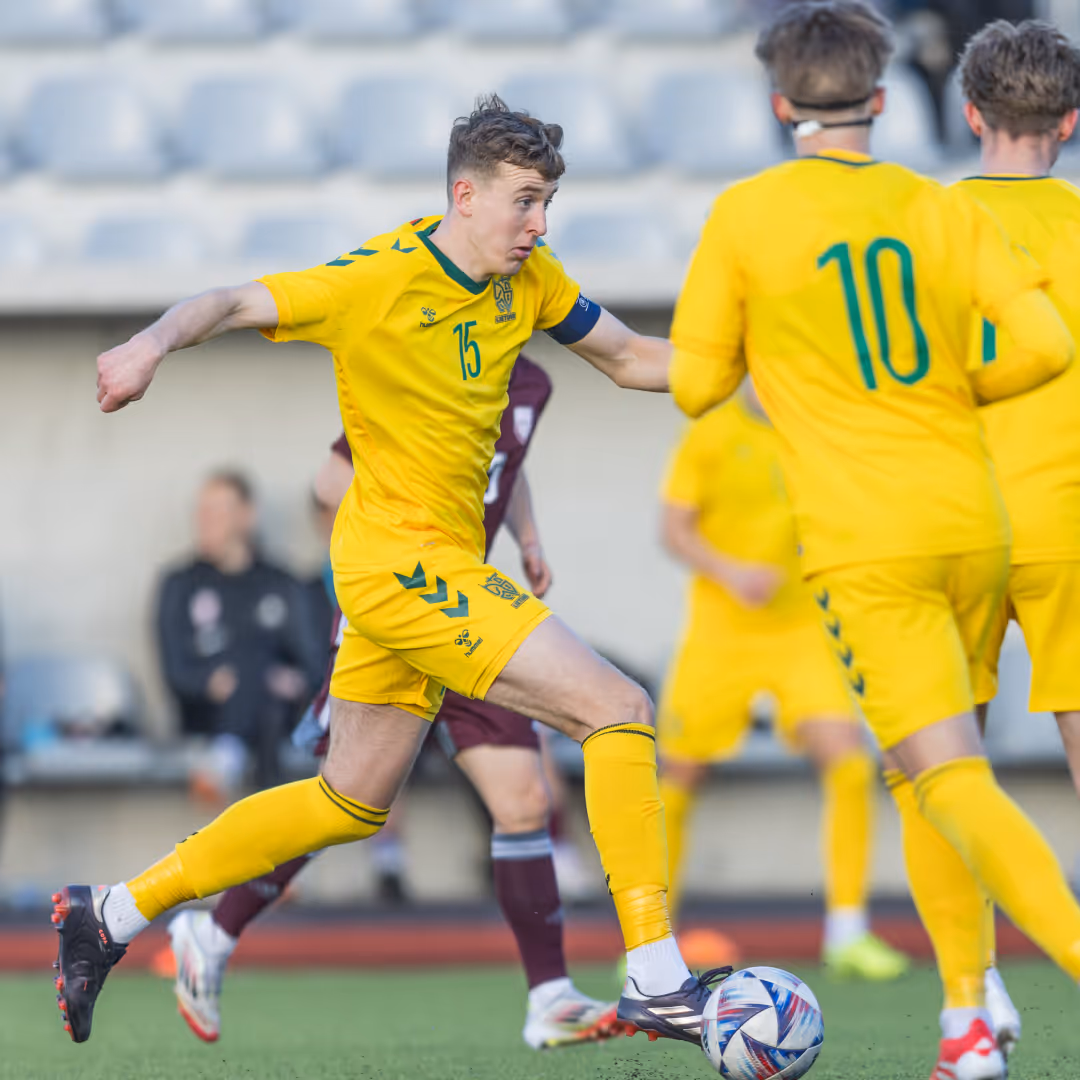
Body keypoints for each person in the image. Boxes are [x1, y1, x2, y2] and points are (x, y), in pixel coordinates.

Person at [56, 95, 709, 1050]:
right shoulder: (378, 278)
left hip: (418, 571)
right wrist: (149, 345)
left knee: (348, 802)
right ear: (464, 193)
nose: (540, 224)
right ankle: (656, 975)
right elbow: (233, 301)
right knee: (618, 706)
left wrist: (761, 368)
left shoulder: (528, 281)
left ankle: (108, 915)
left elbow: (633, 357)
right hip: (402, 571)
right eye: (526, 202)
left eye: (547, 204)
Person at [668, 3, 1080, 1078]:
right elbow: (1042, 341)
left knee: (940, 776)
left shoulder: (750, 213)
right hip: (978, 518)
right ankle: (964, 1027)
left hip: (869, 540)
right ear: (886, 101)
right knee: (947, 771)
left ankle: (989, 1004)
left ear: (777, 105)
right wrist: (956, 388)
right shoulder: (928, 204)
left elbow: (696, 384)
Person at [166, 357, 624, 1050]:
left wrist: (526, 537)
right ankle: (211, 930)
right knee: (340, 805)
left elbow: (506, 459)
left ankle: (550, 995)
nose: (528, 247)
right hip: (396, 613)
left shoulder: (527, 380)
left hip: (470, 613)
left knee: (524, 798)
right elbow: (332, 481)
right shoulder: (424, 360)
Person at [657, 380, 909, 981]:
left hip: (804, 633)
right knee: (677, 777)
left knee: (848, 764)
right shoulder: (712, 433)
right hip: (723, 633)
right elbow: (673, 529)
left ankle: (847, 932)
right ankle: (650, 942)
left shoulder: (819, 429)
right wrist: (731, 570)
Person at [950, 18, 1080, 1063]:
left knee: (952, 760)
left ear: (970, 113)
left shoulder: (923, 225)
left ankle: (975, 993)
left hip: (952, 518)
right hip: (1070, 518)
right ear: (1072, 125)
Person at [157, 471, 325, 796]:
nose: (204, 521)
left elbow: (314, 666)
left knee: (262, 683)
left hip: (279, 712)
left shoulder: (282, 583)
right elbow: (175, 673)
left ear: (247, 516)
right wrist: (211, 682)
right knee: (260, 684)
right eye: (200, 511)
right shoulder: (179, 585)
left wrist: (289, 681)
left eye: (217, 511)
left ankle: (226, 756)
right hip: (206, 714)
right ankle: (281, 832)